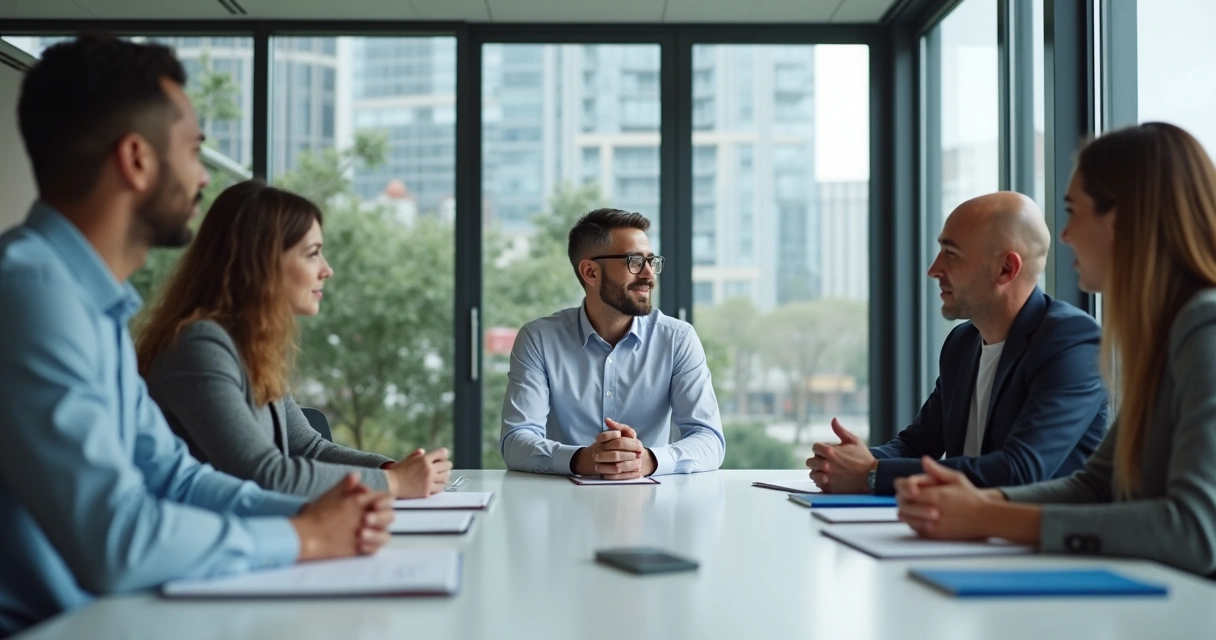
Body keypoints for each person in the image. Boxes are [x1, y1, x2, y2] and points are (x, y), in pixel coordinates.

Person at [0, 35, 393, 635]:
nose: (203, 176)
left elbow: (173, 476)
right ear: (136, 160)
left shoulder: (89, 305)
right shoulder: (31, 297)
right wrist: (299, 535)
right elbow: (116, 539)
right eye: (193, 151)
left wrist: (321, 516)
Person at [895, 122, 1216, 578]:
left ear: (1123, 219)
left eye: (1073, 211)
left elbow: (1196, 531)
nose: (1064, 236)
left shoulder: (1205, 325)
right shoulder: (1165, 333)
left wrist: (988, 516)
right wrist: (975, 502)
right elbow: (1099, 485)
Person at [136, 180, 452, 499]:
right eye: (313, 254)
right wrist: (394, 485)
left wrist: (388, 471)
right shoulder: (198, 347)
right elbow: (265, 474)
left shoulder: (252, 344)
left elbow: (306, 447)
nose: (327, 270)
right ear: (262, 262)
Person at [808, 192, 1107, 495]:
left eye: (951, 254)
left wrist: (872, 473)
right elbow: (915, 445)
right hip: (963, 532)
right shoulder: (963, 343)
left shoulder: (1073, 342)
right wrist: (848, 460)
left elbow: (1019, 470)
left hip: (1035, 539)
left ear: (1006, 269)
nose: (934, 269)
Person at [500, 208, 725, 479]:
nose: (649, 275)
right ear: (590, 272)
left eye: (651, 262)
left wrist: (648, 461)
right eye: (634, 261)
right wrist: (583, 459)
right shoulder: (539, 339)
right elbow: (515, 441)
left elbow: (709, 439)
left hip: (652, 506)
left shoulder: (677, 338)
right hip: (562, 506)